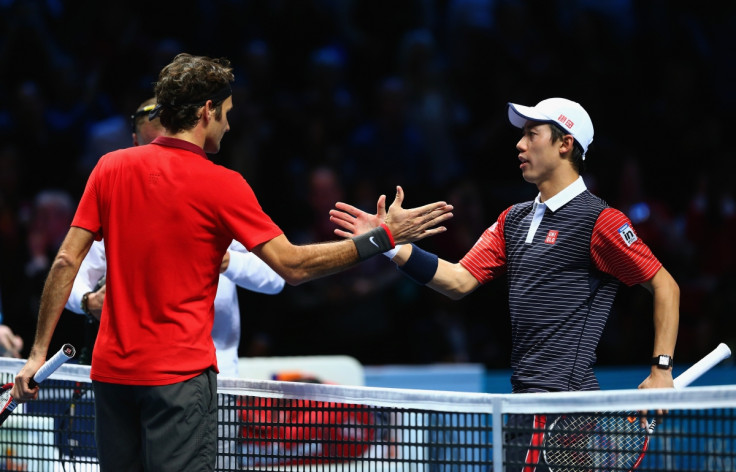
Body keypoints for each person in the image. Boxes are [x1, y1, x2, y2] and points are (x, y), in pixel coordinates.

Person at [11, 53, 453, 472]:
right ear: (206, 111)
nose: (228, 123)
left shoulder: (109, 167)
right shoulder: (223, 184)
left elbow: (66, 259)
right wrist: (385, 238)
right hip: (179, 383)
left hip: (112, 378)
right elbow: (293, 266)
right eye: (226, 111)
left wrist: (36, 354)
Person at [330, 98, 680, 468]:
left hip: (565, 410)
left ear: (565, 144)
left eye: (533, 134)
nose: (520, 144)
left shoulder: (600, 221)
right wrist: (386, 244)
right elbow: (458, 280)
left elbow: (665, 286)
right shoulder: (513, 219)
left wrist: (661, 371)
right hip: (523, 407)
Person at [66, 97, 286, 377]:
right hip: (132, 376)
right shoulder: (117, 206)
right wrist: (88, 301)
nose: (161, 155)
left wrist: (226, 260)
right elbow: (70, 272)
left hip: (214, 379)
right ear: (135, 143)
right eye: (152, 146)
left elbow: (276, 276)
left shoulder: (220, 194)